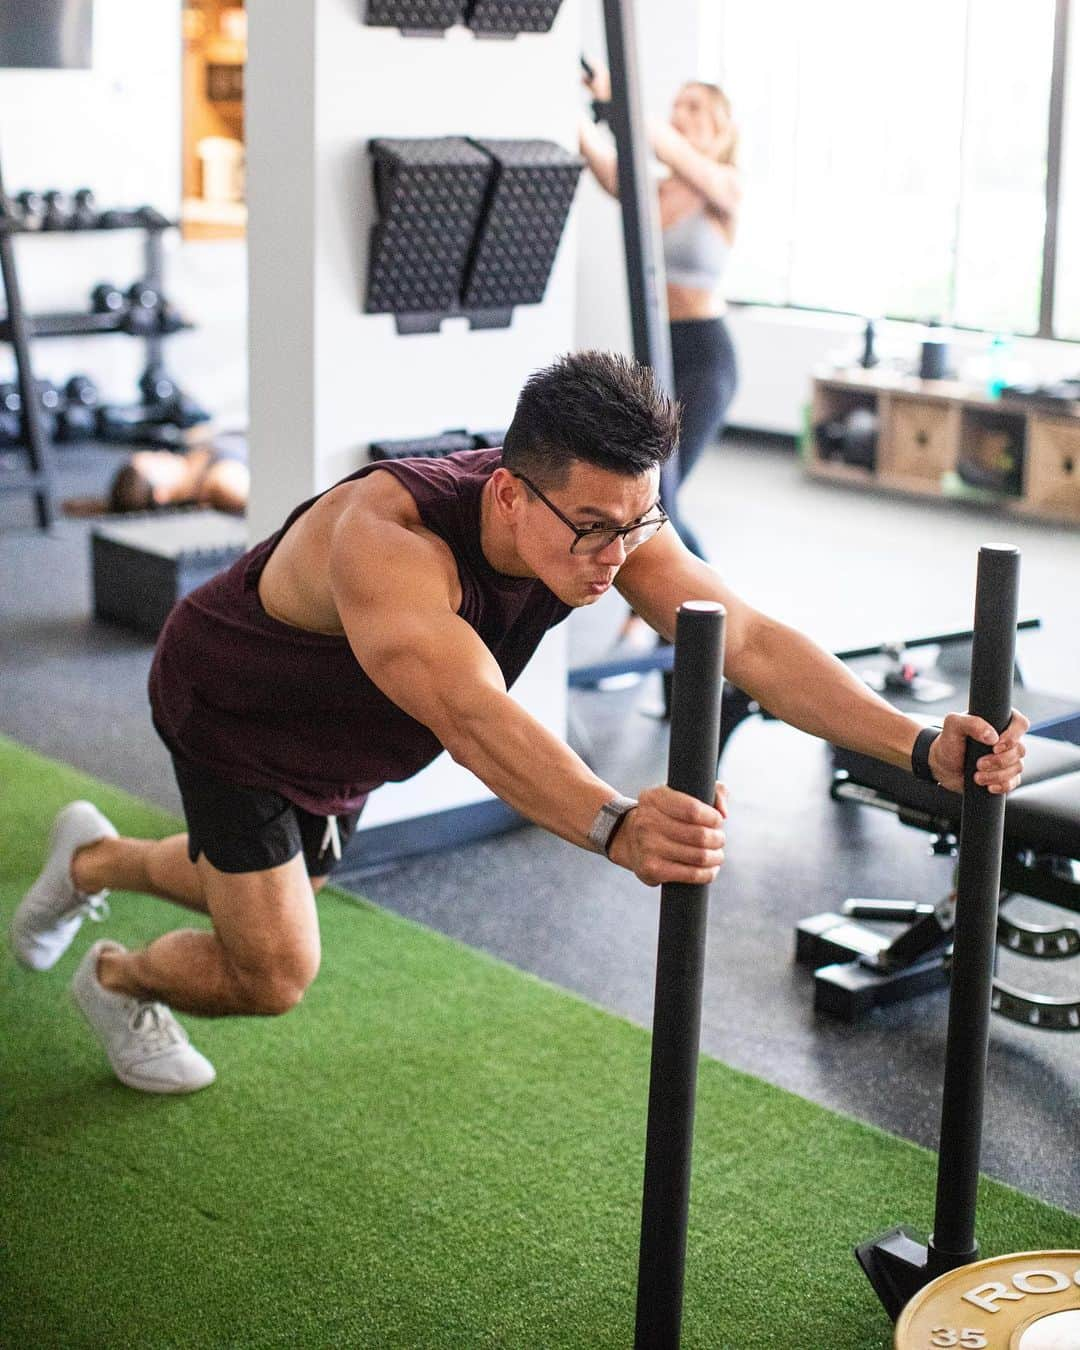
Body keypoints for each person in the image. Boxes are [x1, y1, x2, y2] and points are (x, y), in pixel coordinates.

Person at [10, 352, 1028, 1095]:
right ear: (508, 491)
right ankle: (116, 982)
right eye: (591, 529)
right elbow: (470, 714)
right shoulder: (389, 539)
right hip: (235, 707)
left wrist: (914, 743)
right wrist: (616, 824)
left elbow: (747, 641)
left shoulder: (607, 519)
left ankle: (92, 862)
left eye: (634, 526)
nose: (612, 557)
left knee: (269, 881)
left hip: (349, 734)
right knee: (275, 967)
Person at [579, 63, 740, 651]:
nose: (682, 114)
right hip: (657, 353)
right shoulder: (661, 190)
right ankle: (692, 628)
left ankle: (709, 626)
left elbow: (658, 143)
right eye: (678, 104)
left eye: (697, 108)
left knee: (662, 497)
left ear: (722, 130)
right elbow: (610, 174)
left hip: (704, 356)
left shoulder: (723, 185)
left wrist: (618, 95)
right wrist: (576, 112)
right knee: (647, 489)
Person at [62, 433, 250, 518]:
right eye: (155, 462)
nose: (161, 453)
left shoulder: (192, 452)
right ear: (161, 494)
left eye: (152, 454)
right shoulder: (223, 481)